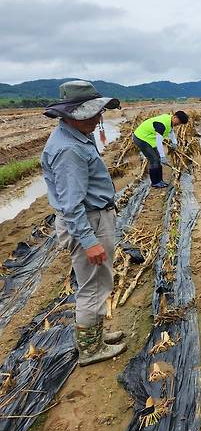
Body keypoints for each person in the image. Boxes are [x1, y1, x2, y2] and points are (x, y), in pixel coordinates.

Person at [41, 80, 127, 366]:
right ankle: (91, 350)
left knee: (99, 281)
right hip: (88, 221)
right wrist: (89, 242)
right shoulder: (69, 151)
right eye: (93, 113)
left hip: (94, 217)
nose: (99, 117)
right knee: (92, 286)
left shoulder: (77, 136)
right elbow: (71, 205)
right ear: (71, 115)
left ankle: (97, 336)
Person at [132, 111, 189, 187]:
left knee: (157, 158)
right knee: (154, 159)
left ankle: (160, 180)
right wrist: (163, 156)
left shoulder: (169, 120)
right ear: (175, 117)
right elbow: (159, 142)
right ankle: (155, 182)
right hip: (141, 138)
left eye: (179, 124)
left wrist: (174, 142)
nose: (178, 125)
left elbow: (171, 131)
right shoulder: (162, 124)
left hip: (149, 139)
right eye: (178, 123)